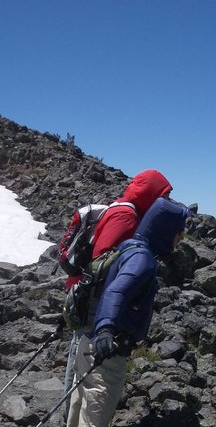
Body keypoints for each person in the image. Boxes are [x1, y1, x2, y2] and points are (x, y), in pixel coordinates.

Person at [63, 197, 191, 427]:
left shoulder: (128, 246)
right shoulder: (143, 260)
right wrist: (107, 330)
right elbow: (117, 292)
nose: (182, 238)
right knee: (94, 426)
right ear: (166, 230)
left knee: (78, 417)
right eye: (180, 231)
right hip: (106, 352)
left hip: (86, 342)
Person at [62, 170, 172, 398]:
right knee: (82, 355)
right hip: (93, 300)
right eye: (162, 195)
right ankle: (70, 412)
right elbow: (102, 261)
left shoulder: (122, 208)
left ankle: (72, 410)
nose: (165, 201)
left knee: (80, 351)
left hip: (88, 293)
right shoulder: (126, 216)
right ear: (149, 194)